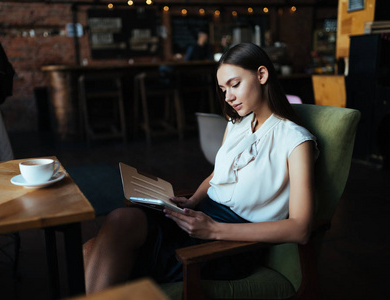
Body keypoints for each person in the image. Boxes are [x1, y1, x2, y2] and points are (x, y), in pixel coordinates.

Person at [83, 43, 318, 294]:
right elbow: (219, 173)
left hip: (232, 241)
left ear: (261, 75)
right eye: (223, 88)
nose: (228, 97)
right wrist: (193, 200)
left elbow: (301, 228)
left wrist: (214, 230)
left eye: (234, 84)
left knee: (107, 239)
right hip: (201, 218)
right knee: (106, 235)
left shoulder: (295, 141)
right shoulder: (237, 123)